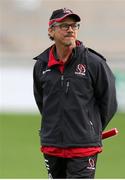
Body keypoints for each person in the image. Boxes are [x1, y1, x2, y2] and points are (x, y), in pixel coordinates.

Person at [33, 8, 117, 179]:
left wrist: (90, 128)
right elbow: (42, 102)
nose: (70, 29)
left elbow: (109, 102)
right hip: (52, 144)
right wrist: (55, 126)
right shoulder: (41, 65)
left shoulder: (94, 63)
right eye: (64, 25)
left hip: (83, 146)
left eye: (74, 25)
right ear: (51, 30)